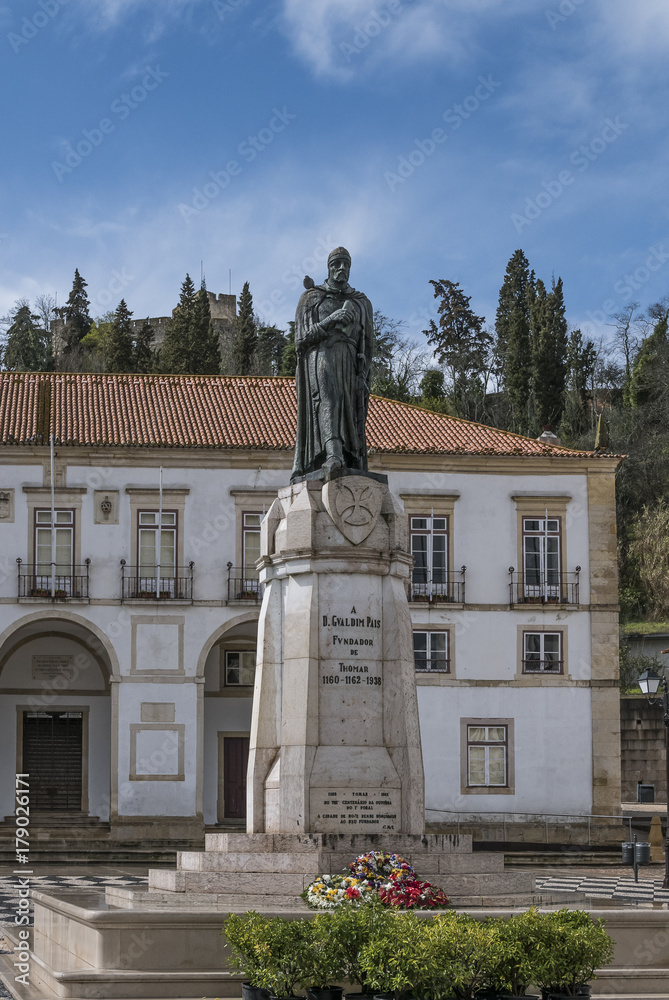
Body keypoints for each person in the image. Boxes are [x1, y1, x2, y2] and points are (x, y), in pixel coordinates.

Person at [291, 247, 373, 482]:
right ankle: (332, 455)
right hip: (322, 355)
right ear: (328, 268)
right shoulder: (312, 298)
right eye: (336, 264)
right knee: (329, 399)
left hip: (350, 360)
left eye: (346, 264)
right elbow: (301, 339)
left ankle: (349, 456)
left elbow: (368, 343)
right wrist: (331, 320)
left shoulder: (361, 302)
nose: (342, 268)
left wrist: (364, 370)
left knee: (348, 406)